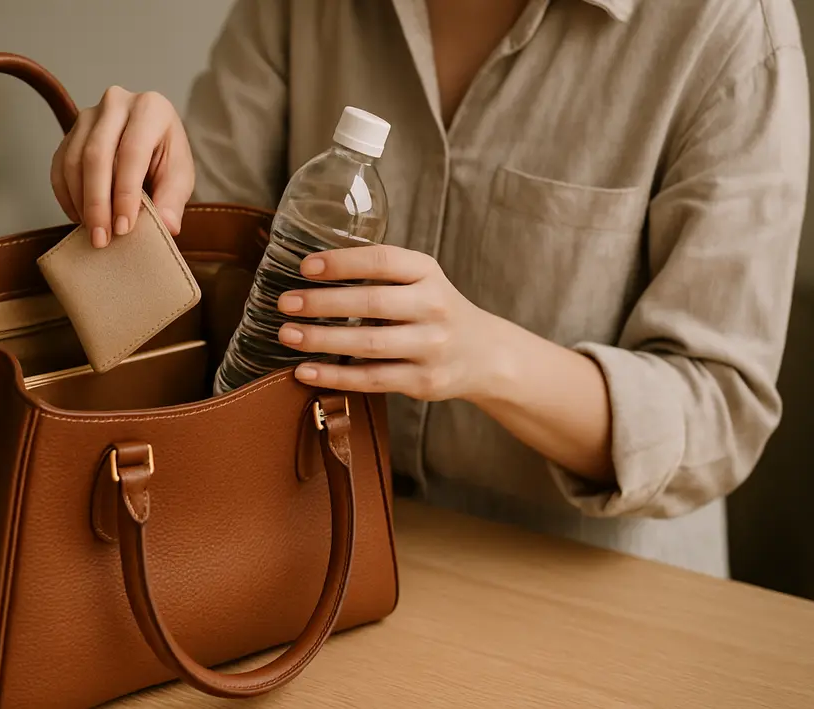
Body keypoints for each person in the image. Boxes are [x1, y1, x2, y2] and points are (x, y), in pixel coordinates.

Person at [50, 0, 810, 578]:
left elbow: (721, 408)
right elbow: (207, 278)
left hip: (594, 597)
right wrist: (125, 193)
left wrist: (489, 359)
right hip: (301, 552)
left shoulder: (726, 30)